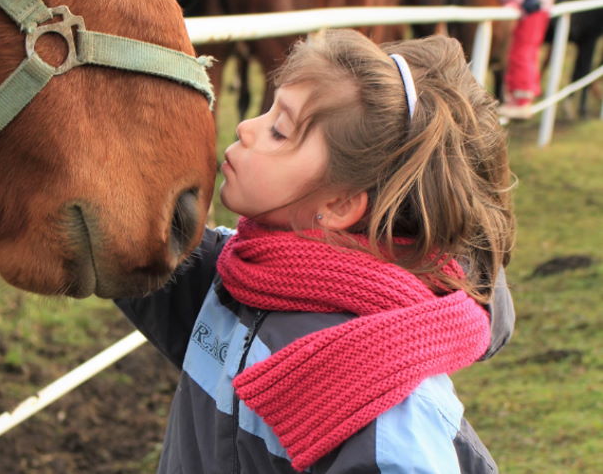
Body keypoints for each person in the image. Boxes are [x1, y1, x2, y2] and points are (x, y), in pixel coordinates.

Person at [117, 29, 516, 473]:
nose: (245, 127)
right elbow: (126, 237)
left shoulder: (384, 400)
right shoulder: (241, 274)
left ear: (339, 205)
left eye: (280, 130)